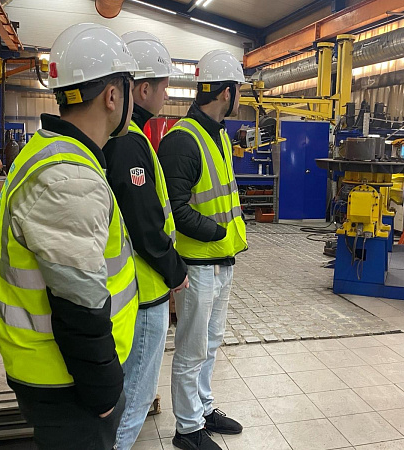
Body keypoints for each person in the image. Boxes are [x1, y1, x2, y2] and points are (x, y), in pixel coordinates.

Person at [0, 23, 142, 450]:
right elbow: (79, 304)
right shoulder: (69, 177)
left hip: (59, 371)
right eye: (130, 87)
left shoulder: (51, 151)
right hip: (68, 380)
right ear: (112, 95)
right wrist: (104, 392)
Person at [103, 31, 189, 450]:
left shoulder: (125, 139)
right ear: (142, 89)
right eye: (164, 85)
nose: (168, 94)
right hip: (145, 290)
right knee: (135, 398)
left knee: (129, 394)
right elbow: (144, 223)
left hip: (135, 290)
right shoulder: (130, 144)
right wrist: (174, 270)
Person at [158, 49, 248, 450]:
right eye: (238, 89)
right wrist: (216, 232)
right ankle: (188, 427)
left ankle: (204, 408)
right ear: (227, 92)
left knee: (211, 342)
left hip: (221, 260)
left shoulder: (220, 134)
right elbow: (174, 209)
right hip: (197, 264)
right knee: (192, 348)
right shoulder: (183, 140)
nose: (239, 96)